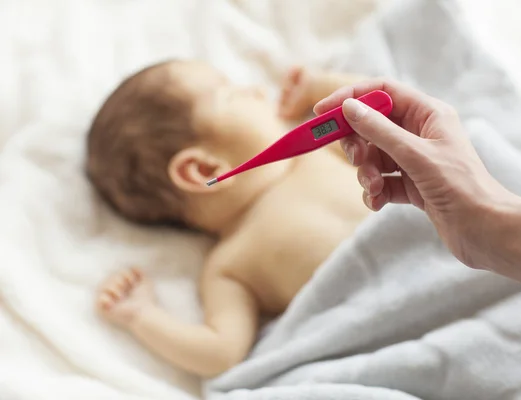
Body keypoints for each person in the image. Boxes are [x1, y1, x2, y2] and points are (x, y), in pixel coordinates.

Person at [86, 60, 374, 378]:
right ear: (205, 170)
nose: (257, 90)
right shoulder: (228, 266)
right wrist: (142, 316)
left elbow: (381, 110)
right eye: (232, 94)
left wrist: (320, 87)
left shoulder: (318, 150)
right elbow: (220, 353)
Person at [313, 78, 521, 319]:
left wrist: (313, 83)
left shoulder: (314, 150)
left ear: (264, 97)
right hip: (376, 292)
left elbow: (365, 112)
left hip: (424, 242)